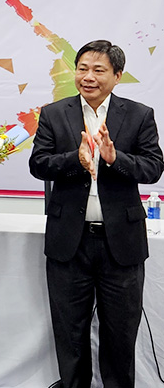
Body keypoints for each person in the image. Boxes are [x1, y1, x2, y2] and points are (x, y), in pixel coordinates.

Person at [29, 40, 164, 388]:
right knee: (70, 334)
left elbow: (153, 168)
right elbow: (38, 164)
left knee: (120, 336)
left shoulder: (138, 115)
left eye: (98, 70)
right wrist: (75, 160)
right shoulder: (54, 114)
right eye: (82, 69)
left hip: (121, 243)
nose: (88, 77)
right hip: (69, 243)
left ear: (117, 76)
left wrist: (115, 159)